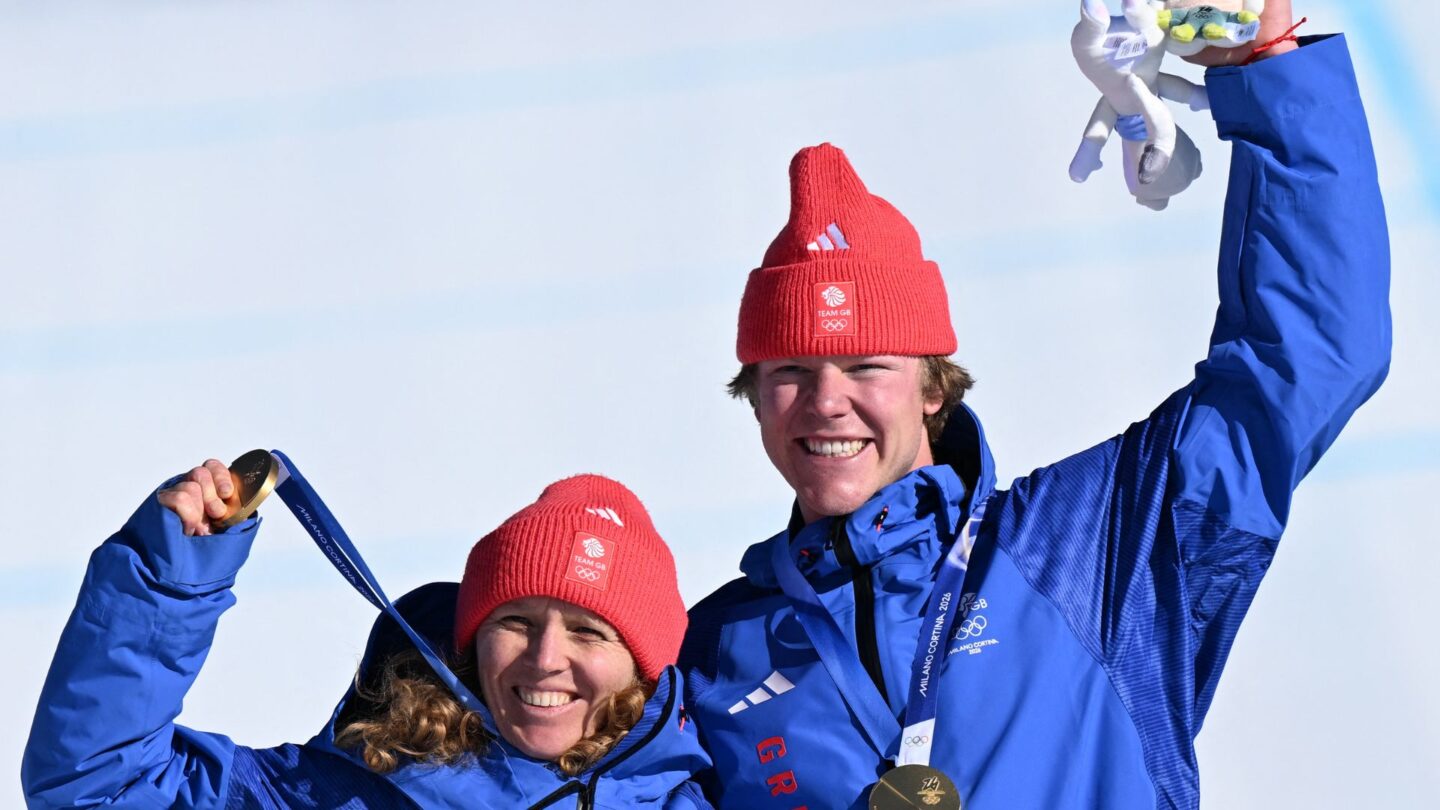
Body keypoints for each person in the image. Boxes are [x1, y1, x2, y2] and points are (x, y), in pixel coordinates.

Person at [678, 1, 1391, 807]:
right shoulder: (708, 658)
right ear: (755, 397)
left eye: (865, 365)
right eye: (790, 371)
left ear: (934, 386)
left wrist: (1265, 67)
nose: (826, 402)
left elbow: (1307, 358)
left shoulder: (1093, 549)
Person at [23, 464, 711, 809]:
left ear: (642, 666)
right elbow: (99, 785)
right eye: (516, 623)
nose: (545, 659)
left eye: (589, 633)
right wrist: (168, 581)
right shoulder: (353, 788)